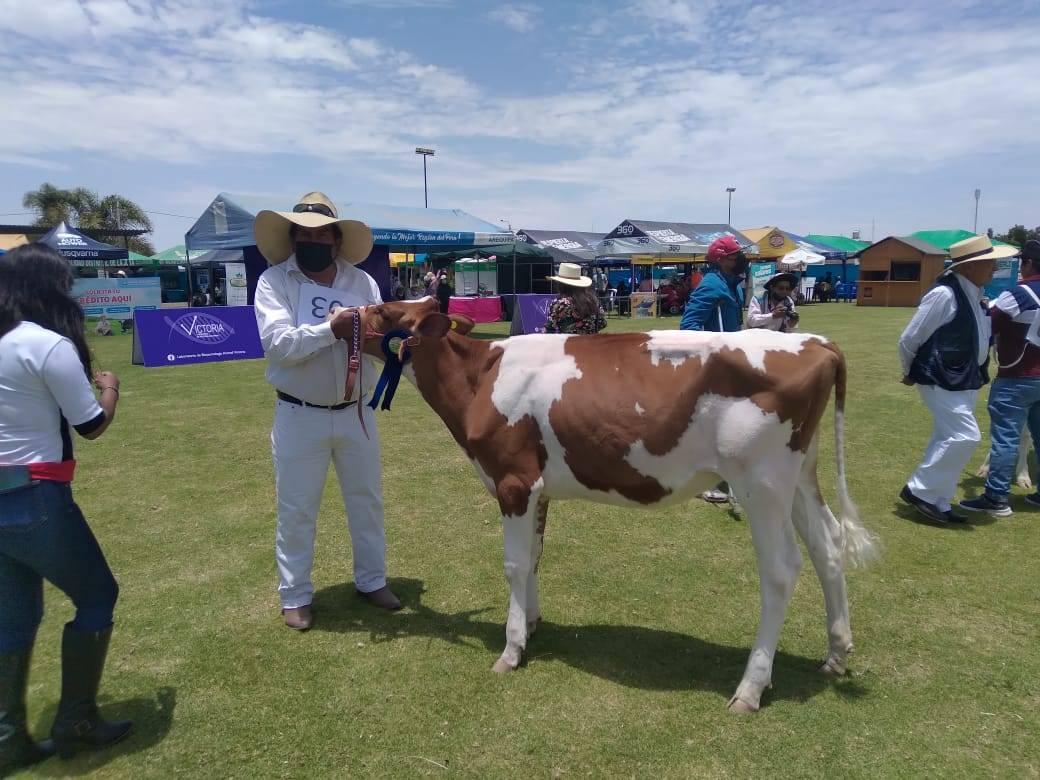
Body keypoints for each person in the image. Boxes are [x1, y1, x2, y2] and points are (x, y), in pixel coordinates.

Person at [0, 245, 132, 772]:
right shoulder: (46, 345)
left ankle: (9, 739)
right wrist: (111, 391)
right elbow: (91, 425)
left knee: (15, 618)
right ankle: (76, 719)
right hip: (37, 496)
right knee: (98, 594)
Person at [253, 191, 400, 631]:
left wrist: (392, 344)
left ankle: (372, 580)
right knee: (297, 509)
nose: (310, 240)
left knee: (367, 502)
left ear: (336, 240)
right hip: (300, 414)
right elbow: (277, 345)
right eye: (301, 233)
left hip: (356, 411)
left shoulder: (362, 284)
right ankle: (295, 595)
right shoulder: (274, 282)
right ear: (293, 236)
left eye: (320, 234)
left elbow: (376, 341)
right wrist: (330, 329)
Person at [898, 235, 1013, 524]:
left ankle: (939, 500)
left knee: (945, 438)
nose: (994, 267)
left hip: (963, 378)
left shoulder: (975, 295)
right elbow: (910, 338)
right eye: (989, 262)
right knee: (966, 436)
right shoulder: (945, 295)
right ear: (969, 267)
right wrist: (909, 370)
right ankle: (920, 490)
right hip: (940, 377)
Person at [960, 240, 1040, 517]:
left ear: (1027, 264)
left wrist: (983, 307)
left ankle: (996, 498)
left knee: (1005, 438)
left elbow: (988, 324)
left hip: (1017, 377)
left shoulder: (1019, 294)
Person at [680, 236, 750, 503]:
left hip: (734, 362)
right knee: (712, 426)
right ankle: (703, 482)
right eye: (734, 256)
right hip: (716, 367)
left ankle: (727, 476)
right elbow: (689, 325)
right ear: (721, 259)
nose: (740, 260)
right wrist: (713, 352)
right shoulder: (710, 285)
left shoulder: (733, 285)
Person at [544, 263, 607, 335]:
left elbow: (550, 328)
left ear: (561, 285)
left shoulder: (560, 304)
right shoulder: (593, 300)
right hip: (592, 343)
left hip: (569, 344)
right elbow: (602, 323)